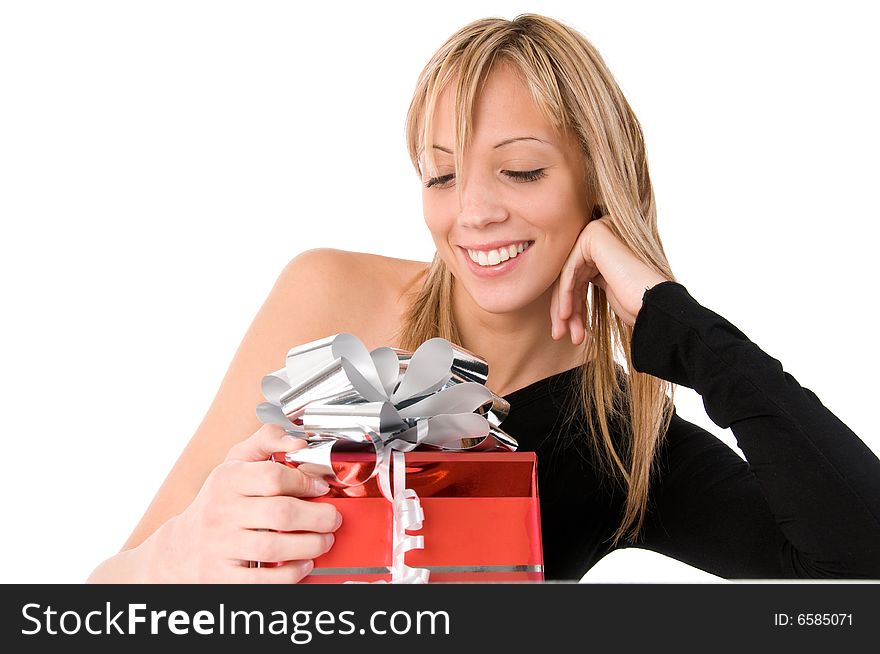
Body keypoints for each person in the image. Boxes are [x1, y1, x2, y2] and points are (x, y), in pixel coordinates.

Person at [88, 13, 880, 583]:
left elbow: (859, 568)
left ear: (600, 182)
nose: (471, 213)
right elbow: (98, 607)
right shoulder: (332, 299)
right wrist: (182, 551)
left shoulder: (626, 447)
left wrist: (681, 322)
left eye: (521, 170)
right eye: (440, 173)